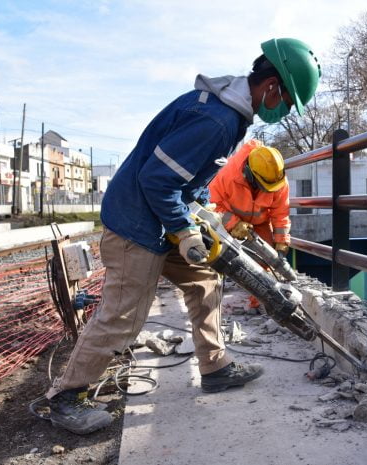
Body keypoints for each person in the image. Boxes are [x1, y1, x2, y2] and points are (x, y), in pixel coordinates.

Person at [44, 38, 321, 435]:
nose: (284, 110)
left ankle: (215, 367)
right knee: (124, 314)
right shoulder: (217, 120)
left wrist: (201, 212)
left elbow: (186, 178)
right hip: (137, 224)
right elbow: (156, 179)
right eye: (288, 102)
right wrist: (182, 229)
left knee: (205, 280)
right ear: (273, 86)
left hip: (159, 217)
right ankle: (67, 398)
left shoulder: (229, 115)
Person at [208, 139, 291, 308]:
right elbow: (212, 204)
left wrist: (281, 242)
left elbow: (280, 213)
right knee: (219, 258)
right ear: (250, 174)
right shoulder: (228, 175)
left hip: (260, 222)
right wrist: (233, 223)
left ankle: (259, 303)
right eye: (264, 187)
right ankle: (212, 299)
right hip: (228, 220)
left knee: (264, 261)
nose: (268, 191)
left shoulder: (276, 179)